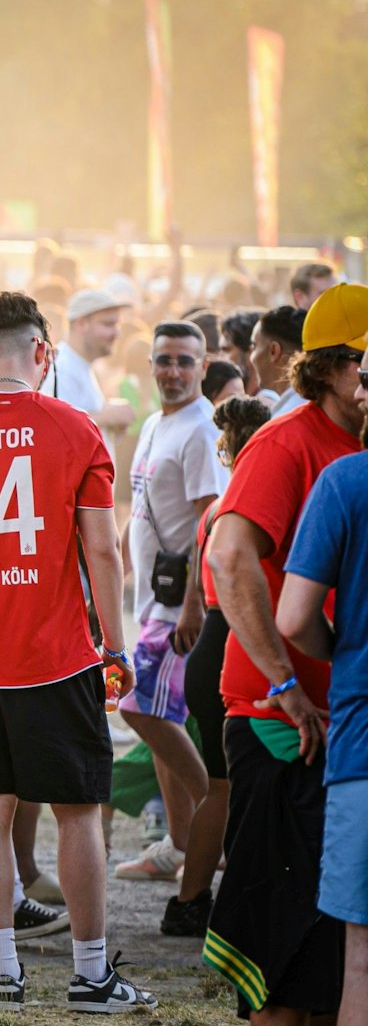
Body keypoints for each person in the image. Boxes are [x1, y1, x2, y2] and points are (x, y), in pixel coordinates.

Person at [0, 291, 155, 1012]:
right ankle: (90, 974)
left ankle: (4, 971)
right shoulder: (74, 426)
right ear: (42, 352)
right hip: (57, 654)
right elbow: (102, 549)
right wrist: (114, 646)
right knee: (77, 810)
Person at [202, 284, 367, 1023]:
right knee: (281, 955)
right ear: (330, 366)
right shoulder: (288, 441)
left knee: (332, 957)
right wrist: (285, 684)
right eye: (363, 362)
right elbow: (229, 556)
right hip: (282, 724)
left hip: (340, 727)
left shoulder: (355, 448)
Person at [112, 322, 224, 886]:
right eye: (164, 360)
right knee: (162, 717)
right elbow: (141, 509)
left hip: (180, 606)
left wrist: (195, 604)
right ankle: (181, 844)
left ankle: (218, 820)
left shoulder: (202, 429)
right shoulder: (157, 423)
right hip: (152, 601)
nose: (173, 371)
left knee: (139, 709)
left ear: (203, 366)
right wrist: (114, 564)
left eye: (184, 361)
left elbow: (211, 519)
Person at [274, 354, 368, 1026]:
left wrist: (345, 651)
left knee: (361, 954)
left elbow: (293, 618)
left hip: (364, 738)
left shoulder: (345, 481)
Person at [164, 397, 274, 937]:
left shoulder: (214, 510)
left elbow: (195, 571)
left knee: (221, 787)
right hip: (233, 645)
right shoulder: (251, 508)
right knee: (235, 789)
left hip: (209, 646)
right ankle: (208, 906)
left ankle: (191, 903)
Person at [53, 287, 135, 446]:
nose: (117, 333)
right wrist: (106, 416)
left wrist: (109, 416)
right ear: (81, 324)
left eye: (117, 325)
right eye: (108, 324)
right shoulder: (61, 368)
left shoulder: (80, 365)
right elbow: (58, 431)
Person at [253, 304, 308, 414]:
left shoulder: (287, 415)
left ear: (274, 351)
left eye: (254, 346)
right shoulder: (327, 406)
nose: (252, 358)